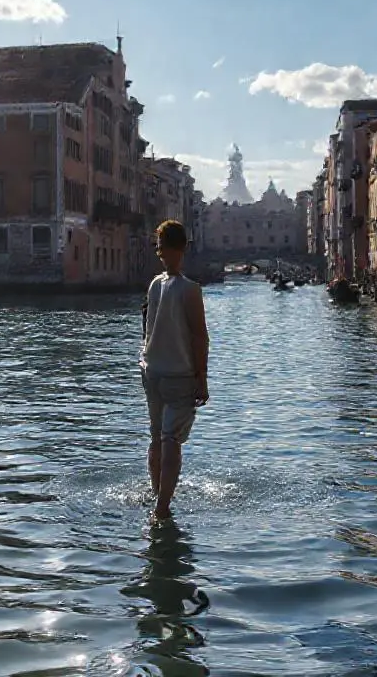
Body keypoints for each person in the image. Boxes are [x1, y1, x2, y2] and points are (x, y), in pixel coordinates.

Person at [140, 220, 209, 524]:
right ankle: (162, 508)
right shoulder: (190, 289)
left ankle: (156, 495)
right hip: (178, 375)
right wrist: (202, 381)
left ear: (161, 249)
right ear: (184, 248)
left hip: (151, 370)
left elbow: (147, 326)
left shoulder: (155, 284)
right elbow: (199, 337)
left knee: (156, 436)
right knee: (171, 440)